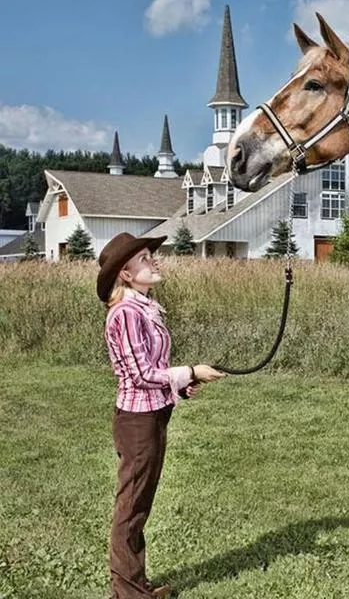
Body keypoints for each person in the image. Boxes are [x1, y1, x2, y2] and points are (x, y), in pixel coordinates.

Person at [96, 232, 226, 598]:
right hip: (137, 423)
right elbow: (140, 375)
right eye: (145, 258)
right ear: (125, 273)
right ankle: (127, 593)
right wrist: (190, 371)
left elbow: (153, 368)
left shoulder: (144, 308)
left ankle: (134, 585)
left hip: (153, 415)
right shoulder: (124, 314)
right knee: (131, 508)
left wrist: (179, 385)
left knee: (139, 505)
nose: (154, 261)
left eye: (151, 255)